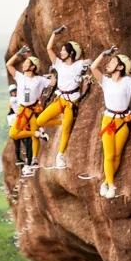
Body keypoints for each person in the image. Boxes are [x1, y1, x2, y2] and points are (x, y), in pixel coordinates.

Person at [90, 46, 131, 199]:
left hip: (123, 120)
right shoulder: (105, 82)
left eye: (113, 62)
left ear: (120, 67)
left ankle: (106, 181)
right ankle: (112, 185)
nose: (109, 64)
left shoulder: (127, 81)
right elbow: (93, 67)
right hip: (108, 120)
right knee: (109, 155)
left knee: (117, 154)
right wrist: (102, 54)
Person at [36, 26, 90, 170]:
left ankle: (60, 155)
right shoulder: (58, 64)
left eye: (63, 51)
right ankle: (62, 121)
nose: (61, 53)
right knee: (40, 120)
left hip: (71, 102)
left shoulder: (79, 65)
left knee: (66, 129)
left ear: (71, 53)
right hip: (60, 99)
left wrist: (90, 63)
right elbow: (49, 49)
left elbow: (89, 62)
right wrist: (54, 34)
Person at [5, 46, 51, 176]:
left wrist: (55, 72)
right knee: (14, 134)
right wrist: (18, 54)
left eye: (26, 63)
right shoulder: (20, 77)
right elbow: (9, 65)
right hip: (23, 111)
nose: (23, 65)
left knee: (32, 138)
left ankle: (32, 162)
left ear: (32, 67)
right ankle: (37, 134)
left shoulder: (39, 80)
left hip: (33, 109)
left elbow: (53, 83)